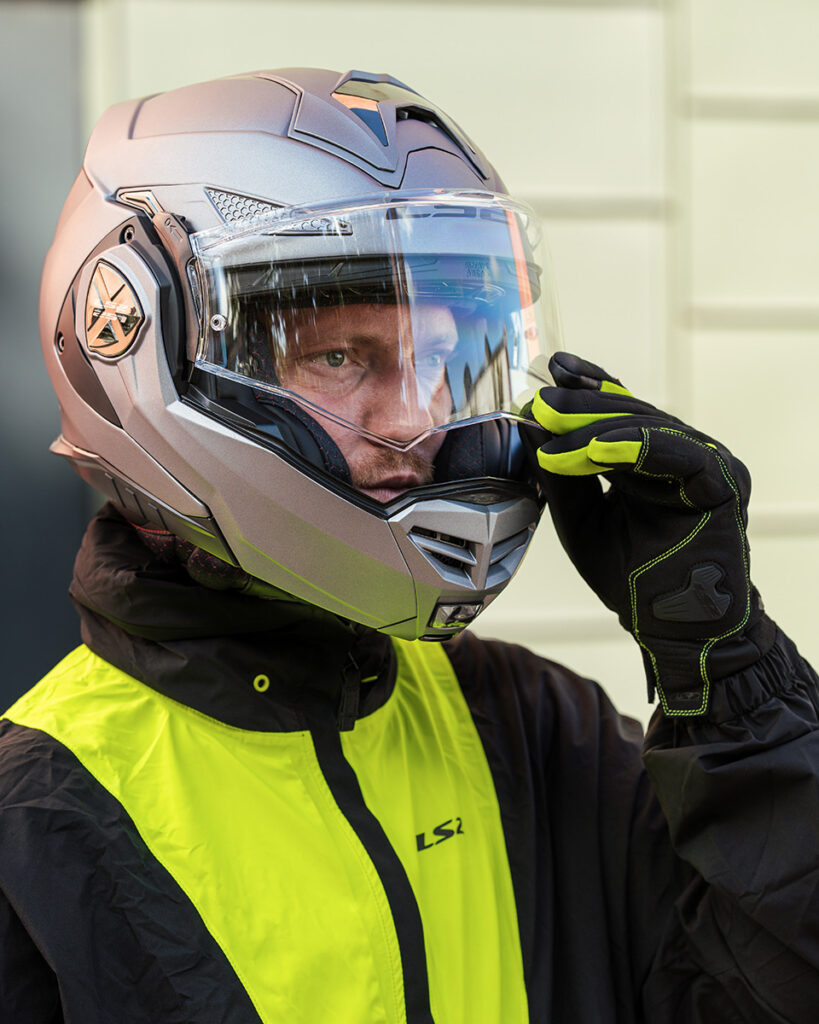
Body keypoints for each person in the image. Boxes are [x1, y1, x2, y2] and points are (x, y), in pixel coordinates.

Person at [0, 66, 817, 1024]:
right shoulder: (42, 823)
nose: (415, 422)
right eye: (337, 356)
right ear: (133, 345)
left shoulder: (534, 730)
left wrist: (726, 675)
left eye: (443, 359)